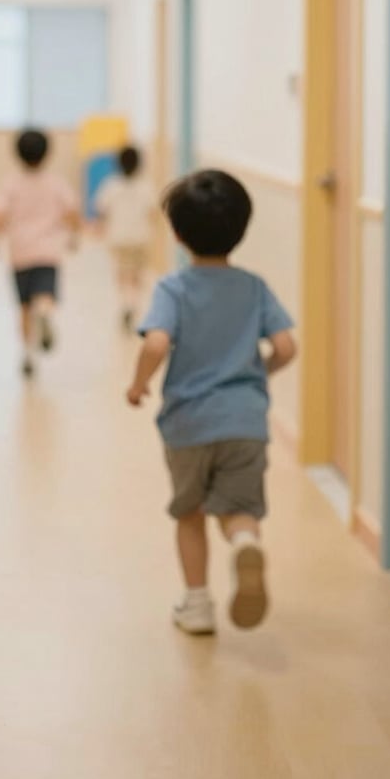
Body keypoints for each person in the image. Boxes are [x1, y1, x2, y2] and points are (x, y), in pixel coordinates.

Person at [126, 170, 296, 636]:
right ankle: (244, 542)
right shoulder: (253, 287)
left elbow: (157, 344)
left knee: (190, 511)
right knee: (239, 508)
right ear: (242, 228)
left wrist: (138, 384)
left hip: (188, 423)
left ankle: (197, 604)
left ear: (178, 234)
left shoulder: (173, 289)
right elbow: (285, 348)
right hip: (245, 422)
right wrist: (257, 376)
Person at [0, 129, 80, 378]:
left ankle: (28, 354)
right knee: (45, 295)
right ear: (47, 154)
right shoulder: (56, 183)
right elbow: (72, 211)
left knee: (23, 306)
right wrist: (74, 236)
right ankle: (45, 313)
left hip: (20, 252)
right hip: (49, 251)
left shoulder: (10, 183)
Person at [94, 145, 156, 330]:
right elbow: (153, 212)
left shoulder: (111, 185)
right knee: (137, 275)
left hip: (118, 236)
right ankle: (134, 304)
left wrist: (100, 229)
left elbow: (101, 210)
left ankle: (125, 303)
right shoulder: (146, 186)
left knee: (122, 275)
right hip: (141, 236)